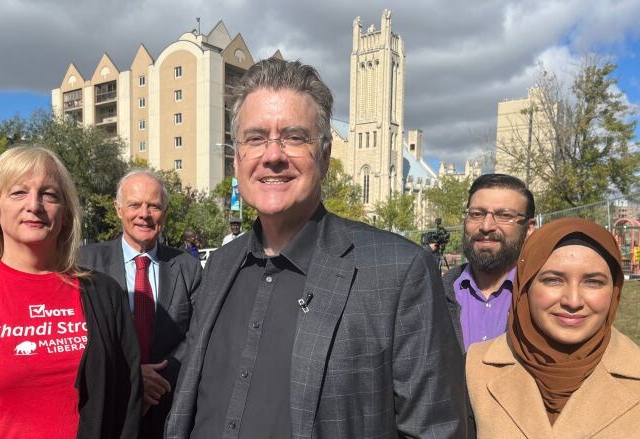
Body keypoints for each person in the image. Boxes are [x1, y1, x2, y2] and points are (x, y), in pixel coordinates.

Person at [166, 58, 466, 438]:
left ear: (324, 158)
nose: (272, 155)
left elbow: (435, 429)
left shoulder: (397, 272)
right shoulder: (220, 267)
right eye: (255, 138)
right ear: (238, 157)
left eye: (294, 137)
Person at [0, 146, 141, 438]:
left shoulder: (104, 294)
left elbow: (127, 403)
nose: (34, 205)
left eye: (49, 194)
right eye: (18, 192)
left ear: (65, 214)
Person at [466, 217, 640, 437]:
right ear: (526, 285)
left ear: (614, 290)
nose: (573, 301)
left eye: (593, 282)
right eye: (553, 280)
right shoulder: (473, 369)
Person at [79, 170, 202, 439]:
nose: (144, 214)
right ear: (118, 209)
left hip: (167, 408)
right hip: (107, 407)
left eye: (154, 206)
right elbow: (78, 335)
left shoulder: (188, 268)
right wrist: (132, 377)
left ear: (165, 212)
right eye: (134, 204)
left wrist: (158, 381)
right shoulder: (85, 264)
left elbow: (198, 334)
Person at [442, 174, 536, 352]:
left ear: (529, 228)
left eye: (504, 215)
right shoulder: (434, 296)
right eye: (476, 214)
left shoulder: (546, 298)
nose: (486, 226)